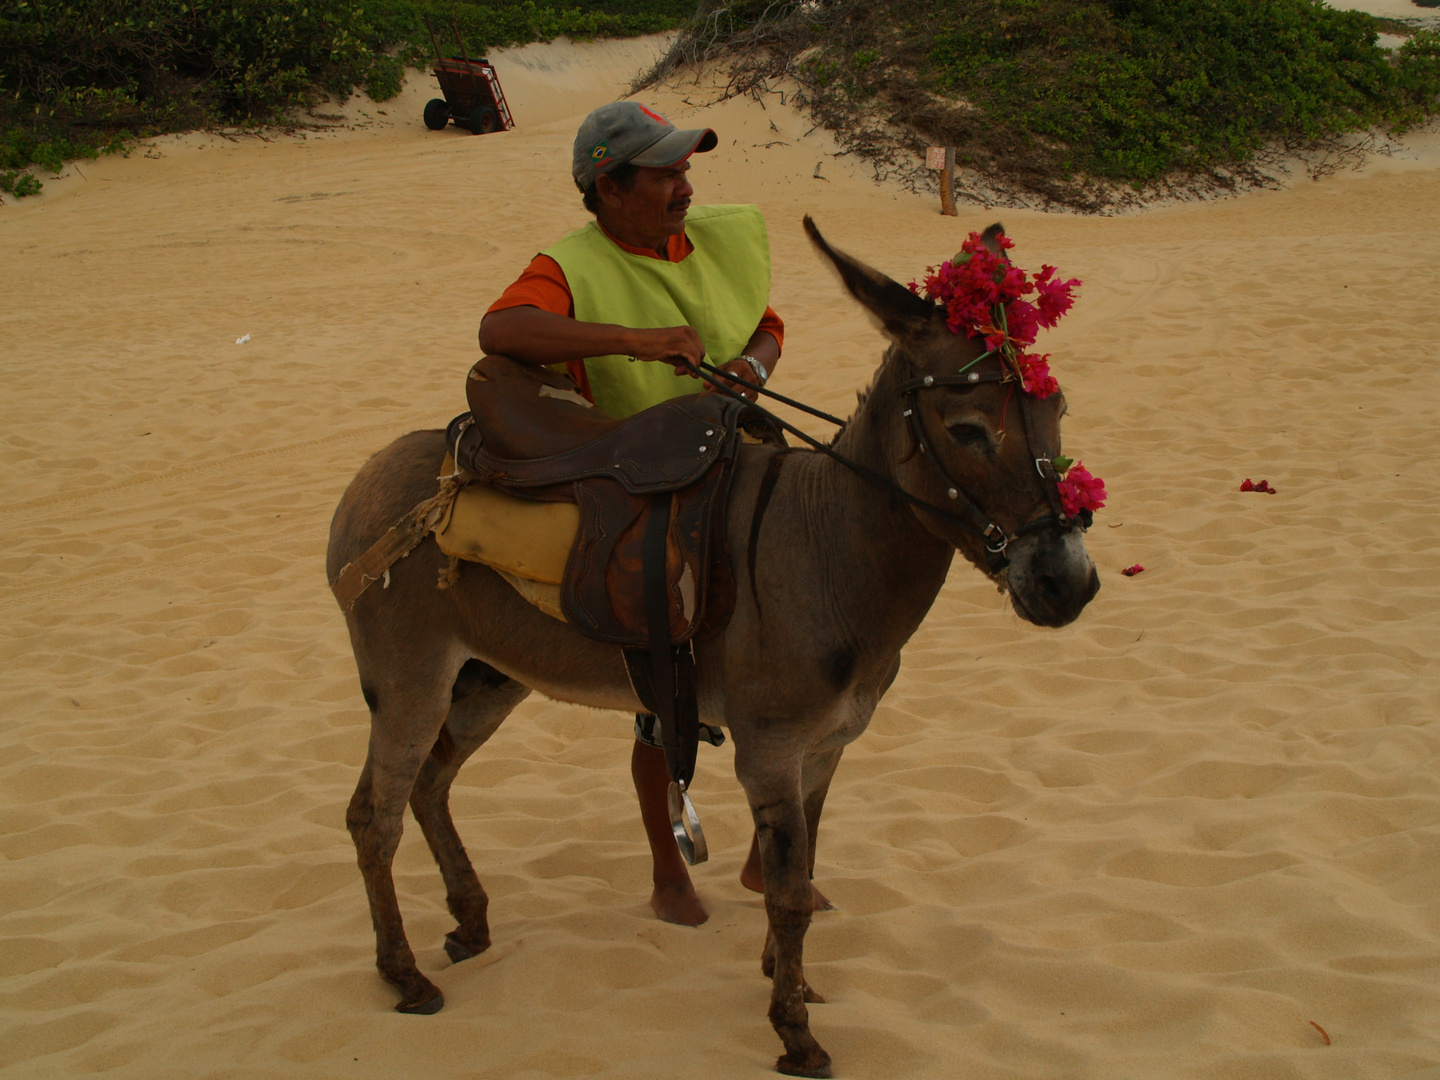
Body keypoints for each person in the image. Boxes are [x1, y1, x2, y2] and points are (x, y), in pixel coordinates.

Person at [479, 101, 828, 926]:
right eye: (665, 172)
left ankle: (762, 856)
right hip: (638, 473)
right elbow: (501, 329)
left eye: (685, 168)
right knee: (659, 664)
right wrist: (631, 343)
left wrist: (750, 366)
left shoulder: (722, 234)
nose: (684, 185)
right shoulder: (570, 263)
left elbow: (769, 325)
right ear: (609, 186)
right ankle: (667, 865)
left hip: (735, 446)